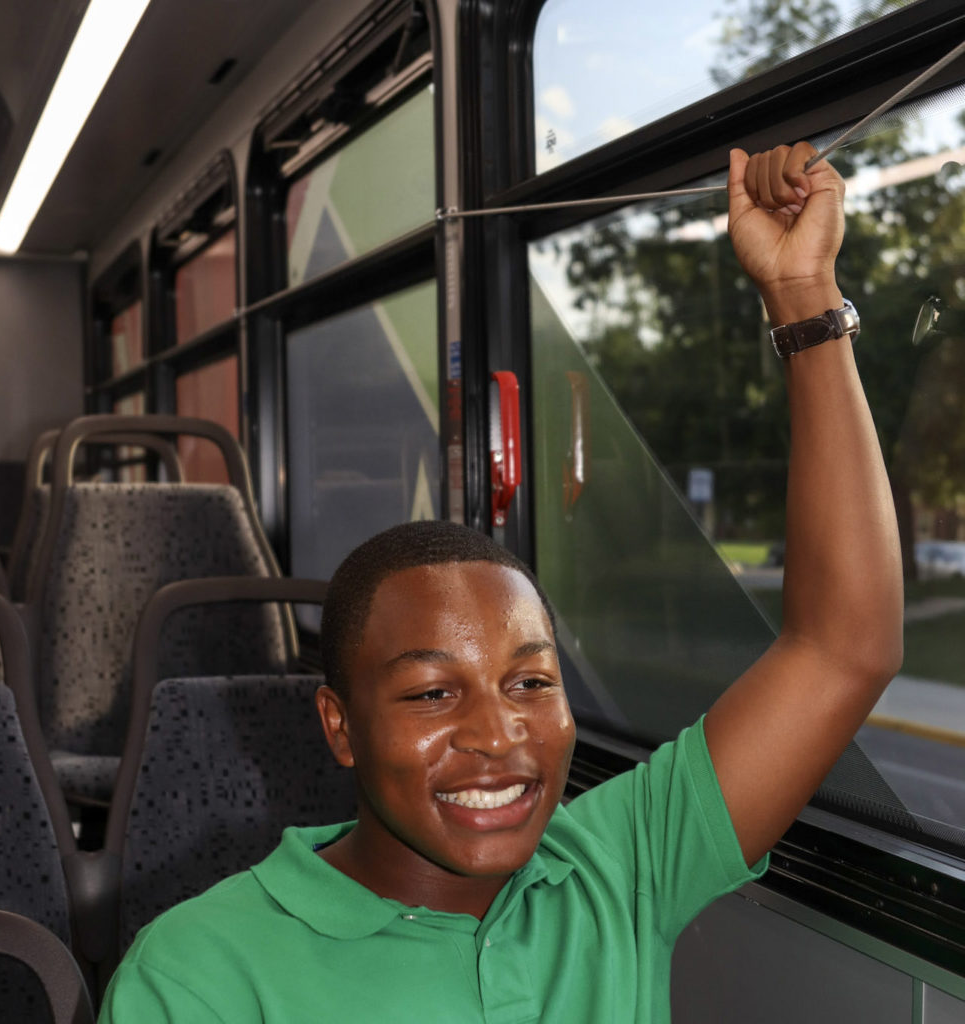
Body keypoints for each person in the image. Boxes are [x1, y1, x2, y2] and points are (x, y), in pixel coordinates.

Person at [97, 142, 903, 1022]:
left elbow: (842, 647)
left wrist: (803, 297)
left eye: (531, 681)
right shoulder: (197, 974)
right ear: (341, 726)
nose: (497, 733)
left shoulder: (614, 867)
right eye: (433, 692)